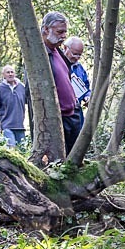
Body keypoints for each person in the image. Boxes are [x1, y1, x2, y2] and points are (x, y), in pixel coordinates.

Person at [40, 11, 80, 153]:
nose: (64, 36)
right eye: (60, 31)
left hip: (72, 115)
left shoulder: (58, 52)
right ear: (46, 29)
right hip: (58, 119)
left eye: (65, 32)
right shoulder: (40, 57)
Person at [0, 65, 26, 147]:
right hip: (6, 126)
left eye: (12, 72)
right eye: (8, 72)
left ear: (15, 74)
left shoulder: (22, 87)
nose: (10, 74)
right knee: (11, 148)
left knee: (23, 151)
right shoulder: (0, 89)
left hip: (20, 126)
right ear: (4, 75)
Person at [64, 36, 91, 130]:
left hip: (76, 113)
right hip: (62, 114)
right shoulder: (57, 65)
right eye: (75, 54)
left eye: (79, 55)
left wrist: (87, 97)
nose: (77, 58)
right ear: (65, 48)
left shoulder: (79, 68)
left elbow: (86, 88)